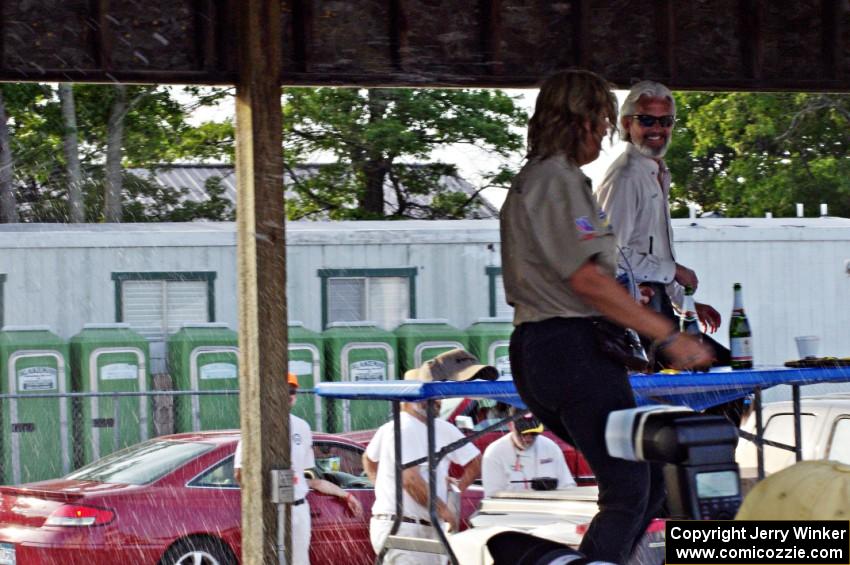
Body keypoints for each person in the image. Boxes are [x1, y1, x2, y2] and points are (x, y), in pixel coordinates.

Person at [499, 69, 713, 564]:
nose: (603, 132)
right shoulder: (557, 179)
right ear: (577, 120)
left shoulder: (554, 179)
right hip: (568, 345)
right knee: (629, 488)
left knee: (649, 479)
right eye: (599, 121)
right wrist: (667, 334)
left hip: (553, 347)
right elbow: (587, 279)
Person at [595, 80, 729, 367]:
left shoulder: (656, 171)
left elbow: (652, 255)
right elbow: (610, 255)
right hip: (634, 312)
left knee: (727, 370)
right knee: (716, 372)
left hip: (654, 307)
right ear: (626, 124)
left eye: (665, 121)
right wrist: (673, 271)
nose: (657, 129)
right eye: (647, 120)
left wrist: (686, 303)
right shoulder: (626, 176)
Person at [363, 350, 487, 565]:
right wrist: (443, 509)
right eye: (433, 396)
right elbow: (409, 479)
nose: (438, 401)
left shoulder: (441, 428)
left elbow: (475, 462)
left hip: (427, 526)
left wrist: (456, 487)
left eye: (439, 397)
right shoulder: (403, 427)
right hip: (403, 527)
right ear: (410, 398)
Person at [233, 372, 362, 565]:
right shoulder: (256, 425)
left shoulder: (302, 427)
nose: (288, 395)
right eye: (283, 390)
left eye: (292, 391)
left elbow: (306, 478)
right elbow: (240, 473)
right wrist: (262, 500)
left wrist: (346, 495)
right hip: (270, 510)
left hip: (299, 509)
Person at [481, 408, 575, 497]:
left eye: (534, 433)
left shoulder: (551, 447)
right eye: (523, 433)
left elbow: (567, 486)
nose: (528, 438)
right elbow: (493, 497)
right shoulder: (494, 453)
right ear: (510, 425)